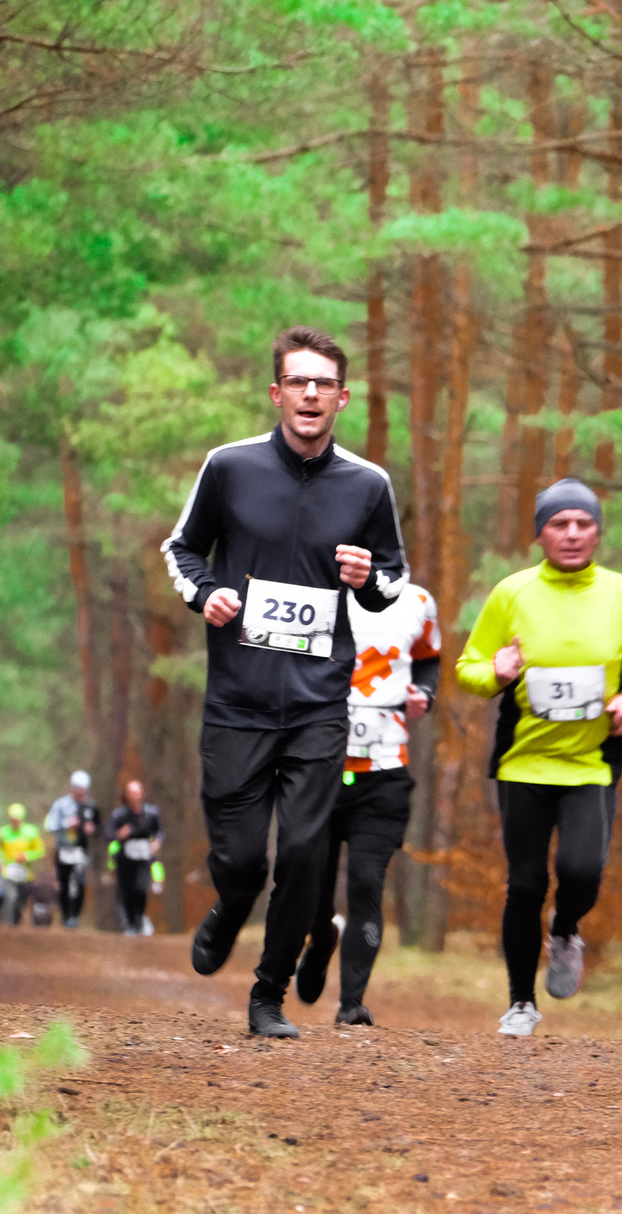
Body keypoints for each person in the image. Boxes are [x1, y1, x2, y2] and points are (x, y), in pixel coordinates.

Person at [161, 324, 409, 1039]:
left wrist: (369, 580)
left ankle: (268, 993)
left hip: (318, 701)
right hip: (237, 699)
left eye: (323, 384)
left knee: (305, 853)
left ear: (342, 398)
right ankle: (230, 902)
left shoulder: (368, 483)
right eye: (297, 381)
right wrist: (204, 593)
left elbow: (394, 576)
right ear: (277, 392)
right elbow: (181, 548)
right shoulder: (230, 467)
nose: (309, 394)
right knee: (242, 858)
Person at [456, 479, 622, 1039]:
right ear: (539, 534)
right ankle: (520, 1002)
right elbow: (467, 669)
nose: (572, 534)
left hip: (591, 761)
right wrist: (495, 674)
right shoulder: (511, 594)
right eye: (559, 524)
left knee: (581, 871)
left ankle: (567, 929)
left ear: (598, 532)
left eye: (583, 524)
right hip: (523, 762)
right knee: (524, 884)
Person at [298, 578, 441, 1026]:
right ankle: (322, 939)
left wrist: (425, 695)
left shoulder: (418, 600)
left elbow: (429, 660)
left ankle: (351, 1005)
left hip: (383, 774)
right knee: (313, 891)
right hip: (319, 773)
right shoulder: (315, 592)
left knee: (365, 882)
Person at [42, 771, 100, 929]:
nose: (80, 792)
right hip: (63, 850)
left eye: (83, 789)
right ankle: (66, 915)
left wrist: (91, 829)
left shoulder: (91, 806)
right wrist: (67, 824)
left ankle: (75, 916)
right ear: (72, 788)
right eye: (77, 788)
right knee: (64, 883)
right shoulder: (60, 805)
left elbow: (98, 828)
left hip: (81, 851)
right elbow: (50, 825)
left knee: (81, 882)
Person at [107, 780, 164, 936]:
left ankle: (139, 920)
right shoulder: (119, 815)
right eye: (131, 792)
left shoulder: (151, 813)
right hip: (125, 860)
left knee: (141, 889)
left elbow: (159, 832)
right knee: (127, 891)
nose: (135, 796)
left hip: (144, 859)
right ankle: (130, 924)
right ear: (126, 795)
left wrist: (157, 842)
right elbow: (108, 835)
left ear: (142, 793)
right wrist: (119, 835)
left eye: (137, 792)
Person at [0, 802, 46, 926]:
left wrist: (27, 856)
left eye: (17, 819)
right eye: (13, 819)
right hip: (8, 871)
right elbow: (0, 851)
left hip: (25, 873)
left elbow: (40, 851)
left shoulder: (31, 832)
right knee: (10, 897)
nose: (15, 822)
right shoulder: (3, 832)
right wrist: (0, 862)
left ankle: (17, 922)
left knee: (22, 900)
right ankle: (9, 924)